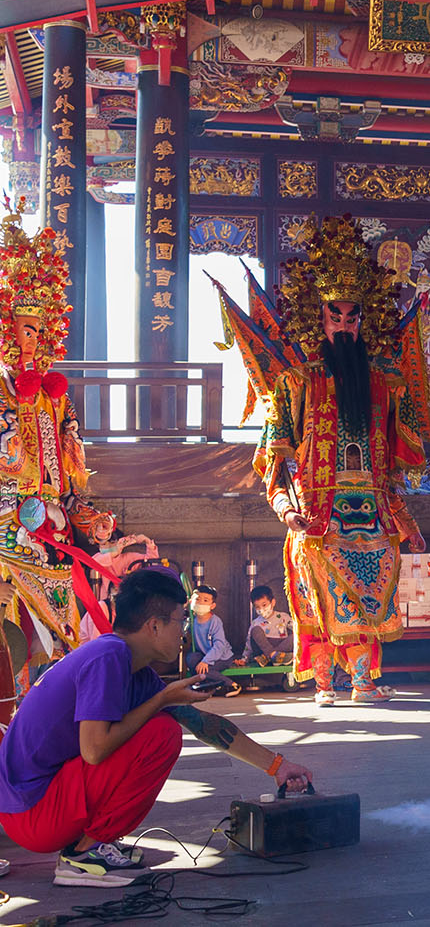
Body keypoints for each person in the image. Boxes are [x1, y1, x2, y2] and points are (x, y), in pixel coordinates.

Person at [217, 217, 430, 707]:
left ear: (363, 319)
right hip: (318, 513)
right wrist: (284, 507)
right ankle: (322, 684)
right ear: (320, 318)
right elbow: (278, 455)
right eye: (334, 316)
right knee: (317, 602)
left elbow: (394, 467)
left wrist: (404, 517)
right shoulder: (296, 382)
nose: (343, 325)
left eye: (351, 317)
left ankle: (361, 681)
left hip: (373, 514)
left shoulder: (384, 384)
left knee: (369, 597)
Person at [0, 568, 312, 888]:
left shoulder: (134, 669)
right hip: (32, 813)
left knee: (162, 725)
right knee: (162, 734)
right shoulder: (108, 656)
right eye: (181, 622)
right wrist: (160, 700)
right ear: (153, 625)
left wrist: (277, 766)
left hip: (37, 807)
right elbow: (94, 751)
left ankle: (89, 845)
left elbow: (204, 725)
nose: (183, 633)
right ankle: (83, 856)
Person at [0, 211, 113, 715]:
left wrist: (86, 514)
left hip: (53, 528)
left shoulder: (56, 399)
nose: (33, 343)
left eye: (40, 332)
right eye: (25, 330)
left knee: (56, 631)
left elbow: (71, 478)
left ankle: (41, 714)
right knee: (12, 628)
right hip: (6, 526)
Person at [185, 586, 240, 697]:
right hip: (204, 654)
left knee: (204, 670)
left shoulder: (215, 622)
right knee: (191, 659)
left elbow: (219, 645)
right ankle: (205, 684)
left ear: (212, 605)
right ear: (191, 601)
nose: (200, 603)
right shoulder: (191, 620)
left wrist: (206, 661)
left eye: (205, 600)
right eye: (197, 599)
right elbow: (183, 631)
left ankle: (232, 684)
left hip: (222, 657)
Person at [241, 585, 293, 667]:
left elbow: (297, 630)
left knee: (295, 636)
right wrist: (244, 658)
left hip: (280, 647)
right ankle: (272, 655)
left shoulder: (284, 617)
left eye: (264, 605)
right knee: (255, 630)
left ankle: (267, 658)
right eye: (257, 607)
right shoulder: (255, 622)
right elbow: (248, 644)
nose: (261, 610)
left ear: (272, 602)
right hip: (261, 649)